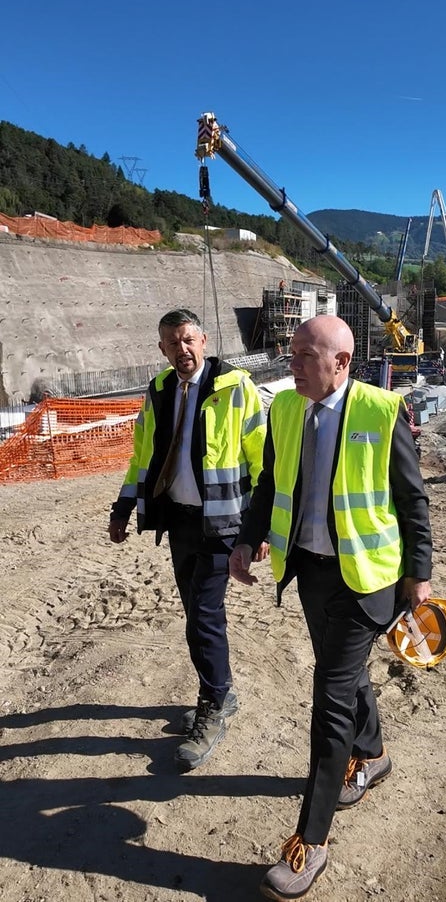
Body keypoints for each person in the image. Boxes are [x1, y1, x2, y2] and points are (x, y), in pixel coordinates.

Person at [229, 315, 432, 901]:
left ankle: (310, 840)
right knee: (345, 680)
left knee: (330, 699)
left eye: (301, 355)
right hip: (311, 573)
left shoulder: (380, 409)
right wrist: (249, 536)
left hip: (367, 580)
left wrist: (419, 574)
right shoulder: (287, 409)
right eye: (290, 353)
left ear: (340, 362)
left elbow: (411, 498)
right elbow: (269, 483)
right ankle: (374, 754)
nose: (290, 364)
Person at [109, 308, 267, 771]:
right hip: (178, 520)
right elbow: (142, 456)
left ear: (205, 340)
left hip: (223, 522)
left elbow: (263, 460)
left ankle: (214, 705)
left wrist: (258, 530)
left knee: (202, 615)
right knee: (197, 612)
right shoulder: (158, 390)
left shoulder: (235, 387)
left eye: (189, 340)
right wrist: (123, 508)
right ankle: (221, 690)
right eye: (172, 344)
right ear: (162, 350)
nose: (182, 350)